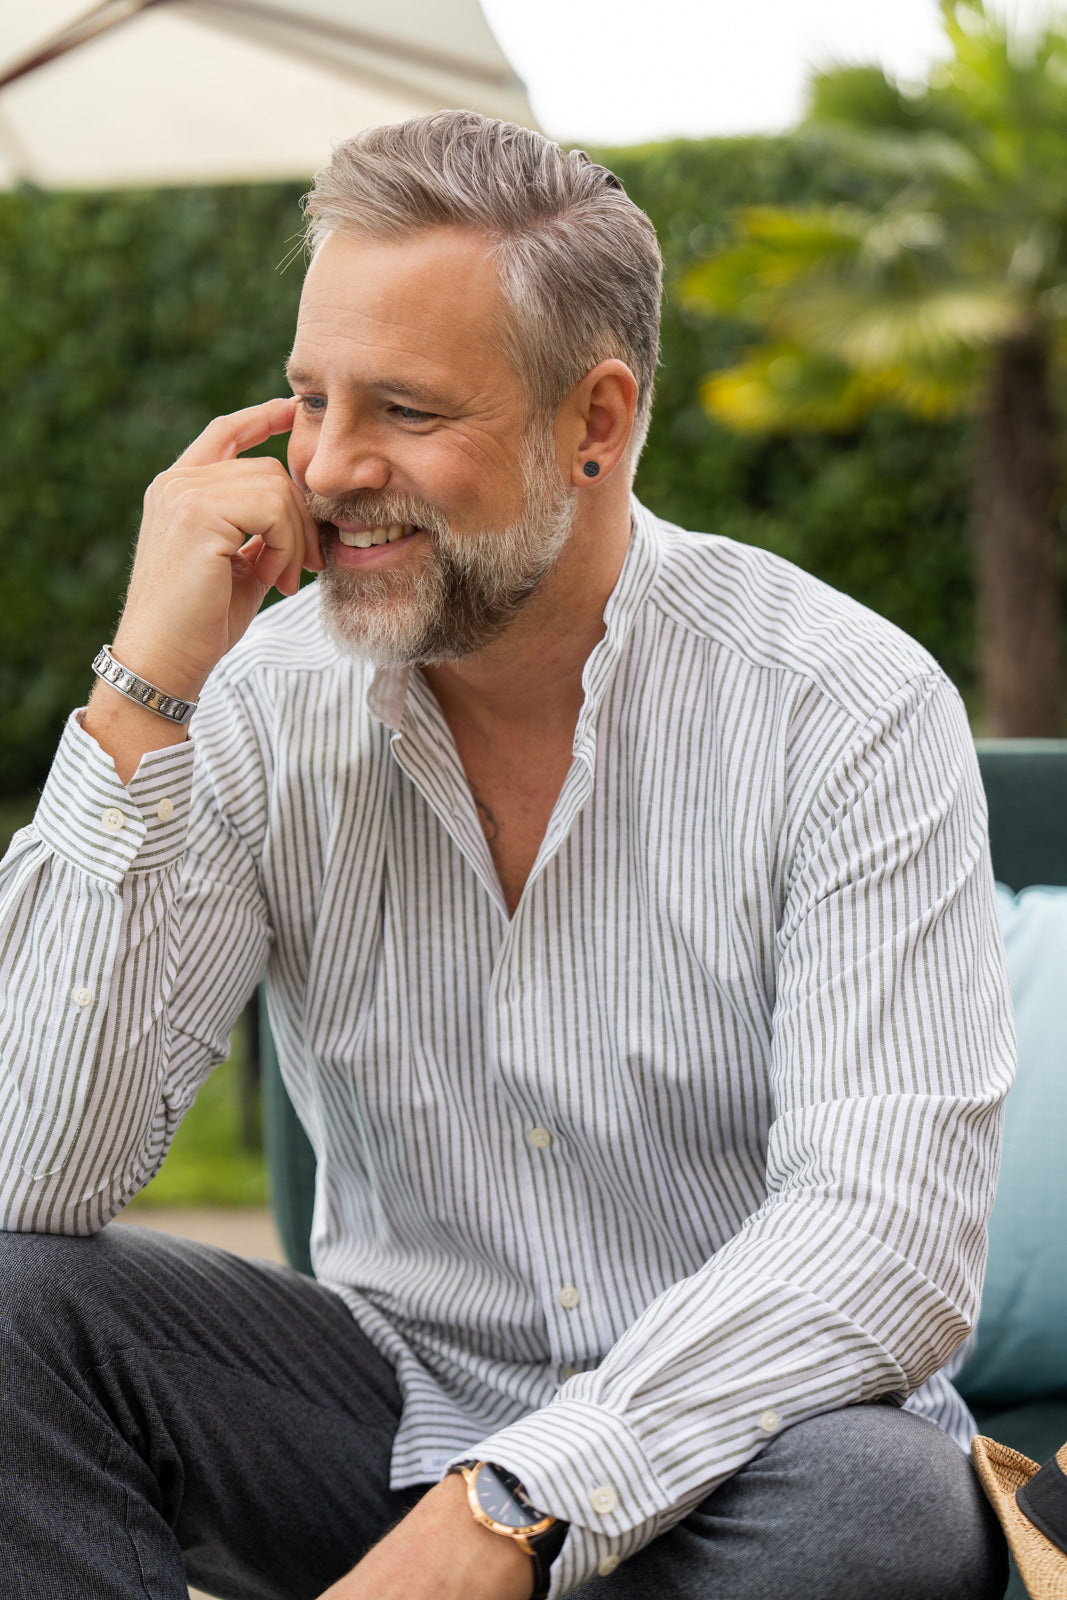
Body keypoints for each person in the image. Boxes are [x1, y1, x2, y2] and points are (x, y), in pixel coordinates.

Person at [0, 111, 1012, 1600]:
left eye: (405, 411)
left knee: (875, 1513)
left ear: (593, 422)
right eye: (307, 400)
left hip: (742, 1462)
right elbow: (35, 1175)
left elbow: (886, 1240)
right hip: (383, 1423)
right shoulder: (257, 702)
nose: (331, 470)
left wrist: (519, 1502)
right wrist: (142, 692)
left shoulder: (844, 707)